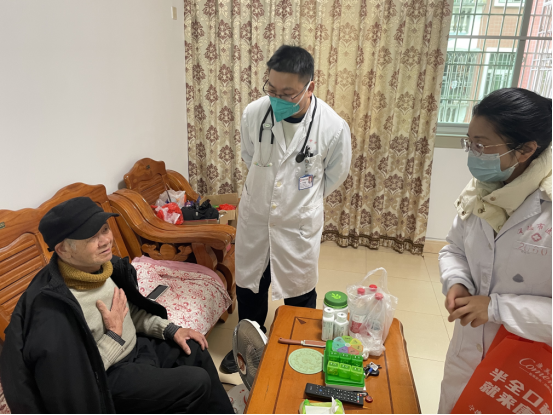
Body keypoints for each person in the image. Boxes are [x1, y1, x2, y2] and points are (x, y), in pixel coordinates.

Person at [1, 197, 234, 414]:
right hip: (109, 377)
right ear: (63, 249)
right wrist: (114, 334)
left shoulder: (101, 268)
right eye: (91, 237)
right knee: (195, 383)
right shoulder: (51, 310)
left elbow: (128, 311)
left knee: (195, 348)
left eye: (104, 229)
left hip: (137, 349)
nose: (105, 241)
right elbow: (72, 382)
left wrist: (171, 330)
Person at [220, 45, 352, 373]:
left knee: (300, 292)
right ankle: (247, 347)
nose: (277, 98)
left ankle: (301, 348)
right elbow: (250, 156)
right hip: (256, 218)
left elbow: (336, 174)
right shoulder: (254, 113)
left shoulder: (333, 127)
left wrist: (300, 200)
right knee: (250, 287)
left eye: (288, 93)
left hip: (298, 224)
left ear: (310, 86)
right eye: (272, 89)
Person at [439, 88, 552, 414]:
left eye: (481, 145)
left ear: (525, 150)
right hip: (466, 356)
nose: (473, 154)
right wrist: (457, 281)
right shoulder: (482, 190)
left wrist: (497, 309)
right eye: (469, 142)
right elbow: (454, 248)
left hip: (525, 373)